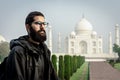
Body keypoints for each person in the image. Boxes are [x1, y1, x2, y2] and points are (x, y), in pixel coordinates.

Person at [0, 11, 59, 80]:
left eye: (44, 24)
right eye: (38, 23)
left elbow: (52, 76)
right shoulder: (18, 52)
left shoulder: (44, 51)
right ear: (28, 27)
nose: (42, 27)